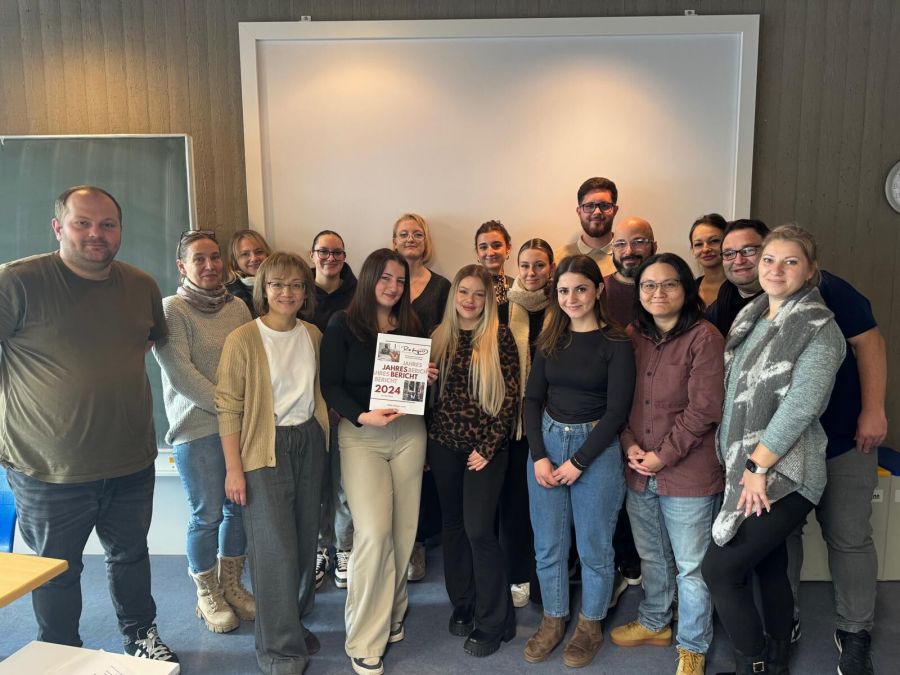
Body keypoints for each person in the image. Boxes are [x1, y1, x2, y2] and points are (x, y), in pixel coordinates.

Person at [0, 185, 178, 662]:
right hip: (49, 468)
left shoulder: (141, 285)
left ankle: (140, 636)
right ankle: (61, 654)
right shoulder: (16, 282)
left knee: (131, 556)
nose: (96, 233)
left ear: (120, 230)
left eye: (107, 224)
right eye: (83, 223)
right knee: (58, 570)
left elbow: (144, 345)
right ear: (58, 227)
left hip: (130, 460)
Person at [700, 225, 846, 674]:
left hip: (787, 474)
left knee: (720, 571)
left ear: (811, 270)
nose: (776, 269)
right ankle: (779, 655)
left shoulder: (819, 328)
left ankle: (754, 665)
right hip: (747, 468)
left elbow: (803, 405)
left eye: (790, 261)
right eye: (769, 260)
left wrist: (757, 466)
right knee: (769, 563)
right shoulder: (753, 317)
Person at [610, 253, 724, 675]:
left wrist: (662, 455)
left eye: (669, 284)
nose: (658, 292)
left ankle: (693, 645)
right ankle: (655, 621)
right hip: (639, 470)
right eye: (648, 285)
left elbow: (705, 409)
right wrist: (628, 445)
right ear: (639, 293)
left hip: (688, 473)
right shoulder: (631, 336)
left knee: (692, 567)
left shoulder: (705, 337)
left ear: (686, 289)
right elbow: (619, 399)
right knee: (652, 556)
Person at [320, 249, 433, 675]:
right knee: (373, 532)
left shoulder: (412, 325)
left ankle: (393, 612)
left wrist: (426, 376)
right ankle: (365, 636)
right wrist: (361, 415)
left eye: (400, 280)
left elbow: (413, 387)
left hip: (409, 433)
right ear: (369, 279)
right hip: (363, 435)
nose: (393, 287)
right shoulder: (342, 324)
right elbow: (330, 385)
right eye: (385, 278)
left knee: (403, 531)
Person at [215, 252, 329, 674]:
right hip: (265, 449)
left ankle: (291, 623)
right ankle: (279, 650)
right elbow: (228, 407)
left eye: (296, 285)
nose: (287, 292)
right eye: (278, 284)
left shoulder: (313, 335)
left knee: (304, 542)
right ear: (263, 288)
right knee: (274, 550)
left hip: (309, 442)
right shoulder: (243, 339)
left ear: (306, 292)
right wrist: (234, 469)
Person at [523, 254, 635, 669]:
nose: (571, 298)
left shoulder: (616, 342)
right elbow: (532, 400)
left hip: (596, 449)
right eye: (564, 291)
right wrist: (539, 456)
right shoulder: (551, 338)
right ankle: (554, 619)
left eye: (580, 289)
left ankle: (590, 624)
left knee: (594, 545)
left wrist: (579, 462)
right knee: (549, 544)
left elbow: (617, 412)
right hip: (548, 442)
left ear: (598, 290)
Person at [153, 230, 254, 634]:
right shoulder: (171, 310)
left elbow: (251, 361)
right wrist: (231, 409)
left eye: (215, 257)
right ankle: (207, 593)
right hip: (197, 431)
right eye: (199, 259)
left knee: (238, 510)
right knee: (207, 514)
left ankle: (232, 586)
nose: (210, 266)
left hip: (240, 425)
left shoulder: (238, 307)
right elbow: (182, 375)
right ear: (182, 266)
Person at [428, 264, 520, 657]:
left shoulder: (500, 336)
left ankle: (495, 620)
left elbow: (511, 397)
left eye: (479, 294)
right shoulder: (437, 336)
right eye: (464, 292)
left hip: (485, 450)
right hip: (443, 446)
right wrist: (424, 383)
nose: (470, 300)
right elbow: (426, 401)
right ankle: (463, 602)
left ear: (489, 300)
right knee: (452, 526)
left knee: (479, 530)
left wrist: (488, 445)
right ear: (454, 295)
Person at [392, 213, 451, 583]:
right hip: (392, 384)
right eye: (403, 234)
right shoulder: (386, 281)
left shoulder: (442, 286)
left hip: (432, 385)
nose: (410, 239)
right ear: (394, 240)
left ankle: (419, 541)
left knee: (425, 462)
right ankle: (401, 540)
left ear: (425, 240)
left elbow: (450, 332)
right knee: (398, 460)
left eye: (417, 234)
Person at [503, 239, 555, 609]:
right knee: (516, 504)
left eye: (539, 265)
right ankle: (519, 574)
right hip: (514, 423)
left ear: (551, 267)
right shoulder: (503, 308)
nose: (531, 273)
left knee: (550, 507)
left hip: (555, 420)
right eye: (525, 265)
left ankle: (547, 578)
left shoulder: (564, 306)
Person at [309, 229, 358, 591]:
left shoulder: (358, 295)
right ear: (312, 255)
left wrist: (342, 403)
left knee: (343, 484)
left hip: (345, 405)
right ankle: (319, 548)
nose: (330, 258)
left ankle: (344, 548)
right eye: (323, 252)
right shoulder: (297, 293)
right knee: (314, 483)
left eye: (337, 252)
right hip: (306, 403)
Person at [704, 219, 770, 336]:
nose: (739, 261)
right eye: (729, 253)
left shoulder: (790, 305)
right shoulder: (719, 305)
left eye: (748, 250)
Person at [603, 217, 657, 340]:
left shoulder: (669, 289)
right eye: (620, 244)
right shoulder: (599, 289)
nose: (629, 251)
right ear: (612, 249)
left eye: (638, 242)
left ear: (654, 246)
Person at [555, 177, 620, 277]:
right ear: (579, 212)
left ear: (615, 210)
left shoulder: (629, 257)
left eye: (604, 205)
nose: (597, 212)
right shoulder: (557, 259)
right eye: (589, 206)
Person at [225, 228, 272, 317]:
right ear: (235, 261)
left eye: (259, 252)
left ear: (267, 255)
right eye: (245, 254)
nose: (254, 258)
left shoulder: (284, 283)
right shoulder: (228, 294)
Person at [474, 220, 514, 323]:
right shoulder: (468, 287)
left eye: (496, 246)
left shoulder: (517, 286)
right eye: (483, 247)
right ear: (477, 252)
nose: (490, 253)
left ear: (508, 248)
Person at [689, 213, 727, 307]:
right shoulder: (689, 290)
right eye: (698, 244)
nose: (706, 249)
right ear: (693, 250)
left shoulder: (742, 289)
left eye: (714, 241)